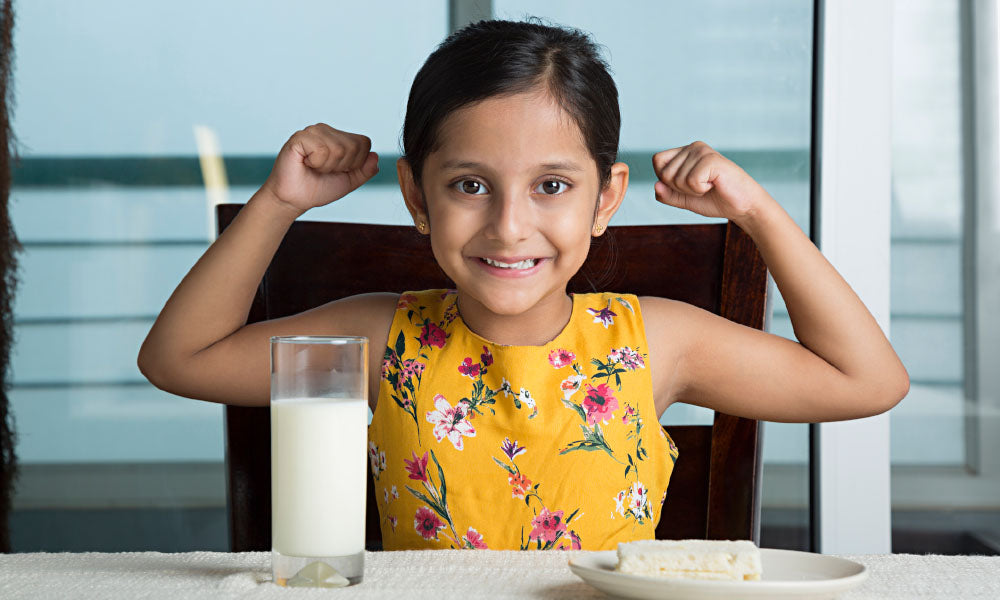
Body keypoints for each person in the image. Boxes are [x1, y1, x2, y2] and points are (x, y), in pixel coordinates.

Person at [138, 19, 908, 551]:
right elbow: (179, 359)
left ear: (606, 198)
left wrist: (756, 211)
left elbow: (868, 382)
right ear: (416, 197)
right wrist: (280, 203)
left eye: (551, 186)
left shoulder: (659, 343)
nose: (509, 227)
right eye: (470, 185)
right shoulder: (381, 341)